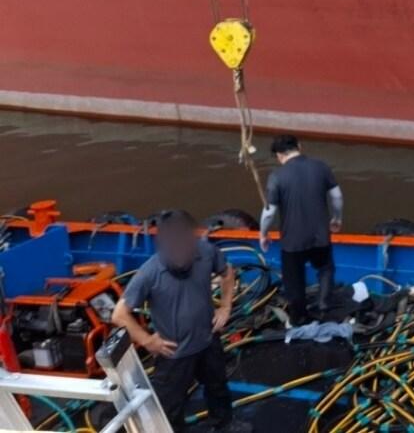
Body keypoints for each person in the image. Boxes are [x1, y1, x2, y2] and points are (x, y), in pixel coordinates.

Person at [112, 210, 250, 433]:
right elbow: (119, 314)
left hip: (208, 340)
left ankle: (225, 424)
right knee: (169, 405)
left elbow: (227, 272)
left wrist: (225, 307)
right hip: (173, 353)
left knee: (218, 386)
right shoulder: (150, 272)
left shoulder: (205, 252)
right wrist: (148, 341)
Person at [259, 134, 344, 326]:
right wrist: (337, 218)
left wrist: (263, 234)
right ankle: (324, 306)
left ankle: (298, 317)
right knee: (325, 269)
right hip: (321, 236)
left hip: (292, 241)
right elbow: (337, 197)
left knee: (294, 281)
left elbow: (269, 213)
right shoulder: (321, 166)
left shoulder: (276, 177)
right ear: (299, 146)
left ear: (279, 155)